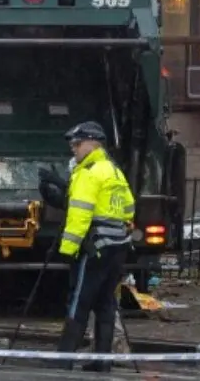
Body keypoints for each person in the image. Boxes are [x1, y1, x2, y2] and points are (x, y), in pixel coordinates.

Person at [47, 121, 135, 372]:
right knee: (106, 304)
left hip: (93, 249)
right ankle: (102, 361)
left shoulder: (88, 172)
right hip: (116, 248)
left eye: (77, 143)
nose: (73, 148)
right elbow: (129, 208)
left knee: (79, 302)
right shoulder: (113, 170)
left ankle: (64, 359)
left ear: (92, 144)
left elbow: (79, 216)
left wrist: (67, 250)